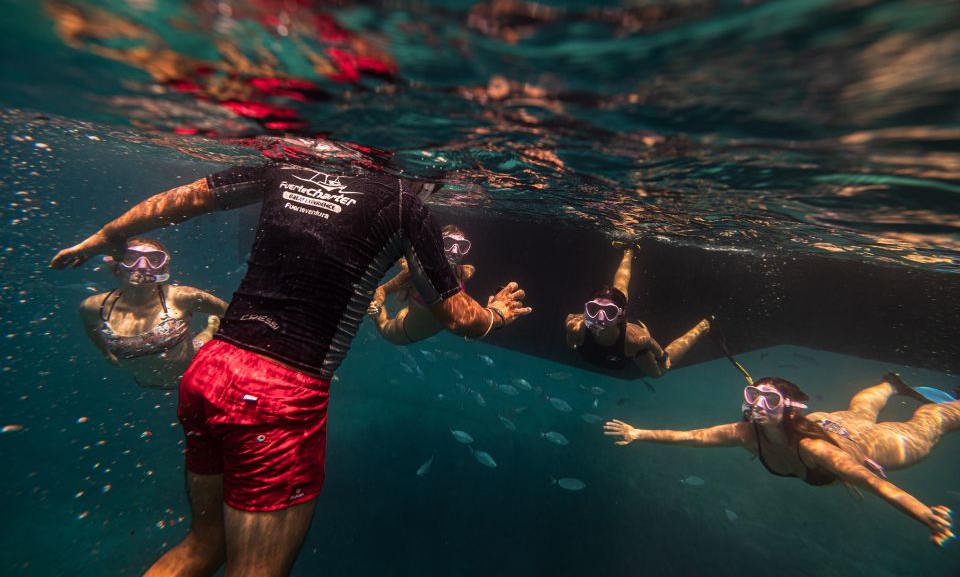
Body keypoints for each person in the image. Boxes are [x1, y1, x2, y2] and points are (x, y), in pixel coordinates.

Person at [51, 156, 531, 577]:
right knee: (255, 568)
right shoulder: (407, 205)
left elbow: (187, 197)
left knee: (202, 544)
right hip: (277, 394)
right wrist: (496, 317)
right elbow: (456, 316)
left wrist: (108, 236)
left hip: (211, 368)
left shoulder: (287, 167)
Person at [603, 374, 958, 545]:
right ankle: (891, 384)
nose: (757, 404)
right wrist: (639, 433)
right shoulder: (745, 433)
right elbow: (692, 437)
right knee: (859, 410)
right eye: (753, 395)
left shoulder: (813, 449)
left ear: (787, 411)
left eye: (769, 401)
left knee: (925, 430)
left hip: (865, 444)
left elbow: (872, 482)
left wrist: (925, 515)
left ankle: (950, 406)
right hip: (827, 423)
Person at [79, 238, 227, 388]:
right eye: (130, 258)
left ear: (163, 268)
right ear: (117, 265)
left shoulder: (183, 297)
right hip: (144, 383)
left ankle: (211, 328)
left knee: (199, 344)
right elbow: (90, 326)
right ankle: (211, 326)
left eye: (154, 260)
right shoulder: (95, 306)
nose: (142, 266)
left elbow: (233, 312)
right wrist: (105, 353)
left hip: (194, 376)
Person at [564, 245, 711, 376]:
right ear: (586, 309)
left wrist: (662, 357)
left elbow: (650, 343)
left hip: (629, 338)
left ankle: (704, 325)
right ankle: (629, 250)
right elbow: (571, 339)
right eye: (593, 309)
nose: (599, 318)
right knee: (618, 293)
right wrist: (572, 340)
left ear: (621, 316)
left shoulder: (635, 339)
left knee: (658, 373)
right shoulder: (574, 326)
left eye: (609, 312)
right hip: (612, 335)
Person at [367, 224, 475, 344]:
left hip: (414, 316)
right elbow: (382, 290)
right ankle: (403, 261)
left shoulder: (464, 272)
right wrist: (377, 304)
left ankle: (404, 262)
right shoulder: (413, 273)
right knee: (383, 327)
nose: (455, 251)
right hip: (402, 332)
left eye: (462, 246)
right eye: (448, 243)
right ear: (436, 244)